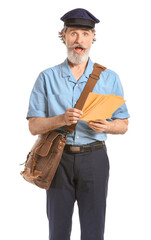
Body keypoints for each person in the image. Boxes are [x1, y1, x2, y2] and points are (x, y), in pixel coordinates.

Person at [27, 8, 130, 240]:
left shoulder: (110, 77)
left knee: (94, 231)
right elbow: (33, 126)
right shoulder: (47, 77)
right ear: (64, 36)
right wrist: (61, 119)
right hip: (57, 159)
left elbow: (123, 124)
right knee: (58, 230)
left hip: (94, 159)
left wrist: (107, 127)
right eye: (73, 34)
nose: (79, 41)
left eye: (85, 34)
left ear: (93, 37)